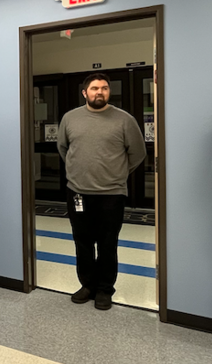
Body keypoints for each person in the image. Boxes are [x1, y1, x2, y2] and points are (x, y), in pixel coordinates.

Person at [57, 73, 146, 310]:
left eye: (104, 88)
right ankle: (87, 285)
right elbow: (63, 148)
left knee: (108, 243)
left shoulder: (124, 120)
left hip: (112, 194)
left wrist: (117, 174)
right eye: (95, 88)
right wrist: (79, 171)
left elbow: (137, 153)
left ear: (109, 92)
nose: (100, 92)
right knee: (82, 242)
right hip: (77, 192)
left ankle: (105, 289)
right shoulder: (70, 118)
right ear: (84, 93)